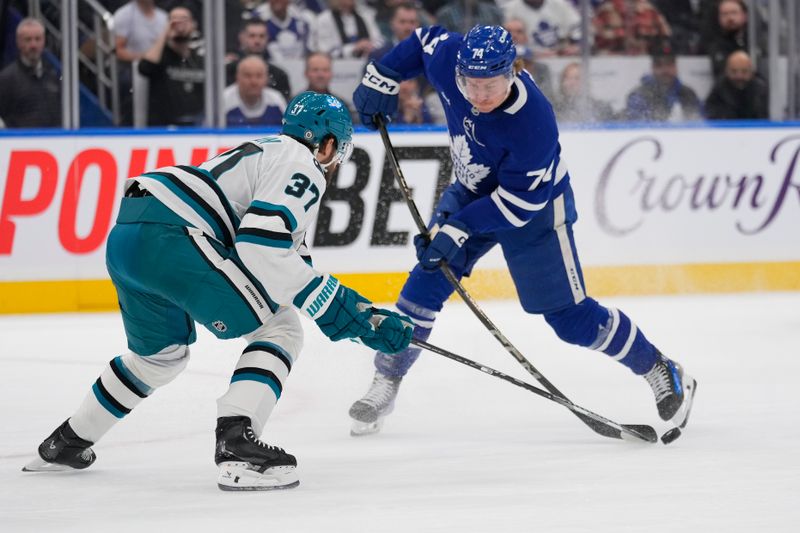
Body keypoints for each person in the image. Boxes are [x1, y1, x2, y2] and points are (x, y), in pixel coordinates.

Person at [22, 91, 413, 491]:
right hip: (176, 235)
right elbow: (261, 248)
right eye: (337, 151)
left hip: (130, 235)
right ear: (327, 143)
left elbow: (288, 264)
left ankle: (67, 441)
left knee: (159, 359)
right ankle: (237, 444)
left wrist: (363, 316)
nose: (334, 162)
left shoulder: (267, 154)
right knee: (279, 330)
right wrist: (341, 310)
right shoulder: (303, 162)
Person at [347, 24, 697, 436]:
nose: (477, 96)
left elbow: (518, 204)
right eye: (469, 84)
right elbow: (424, 40)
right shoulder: (451, 58)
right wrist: (383, 73)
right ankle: (387, 378)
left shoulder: (534, 121)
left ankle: (659, 367)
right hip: (472, 192)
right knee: (425, 283)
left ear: (512, 72)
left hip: (535, 210)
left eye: (489, 85)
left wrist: (457, 228)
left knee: (571, 321)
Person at [138, 6, 205, 126]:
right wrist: (165, 33)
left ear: (194, 25)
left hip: (196, 127)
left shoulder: (199, 60)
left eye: (184, 19)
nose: (179, 24)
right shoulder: (161, 55)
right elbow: (145, 68)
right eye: (173, 20)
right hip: (164, 128)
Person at [0, 17, 61, 128]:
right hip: (19, 143)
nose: (33, 45)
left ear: (44, 41)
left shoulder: (54, 74)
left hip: (53, 142)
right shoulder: (6, 79)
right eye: (28, 40)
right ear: (18, 42)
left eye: (38, 39)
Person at [624, 46, 702, 122]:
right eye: (659, 65)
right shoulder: (639, 95)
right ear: (652, 68)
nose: (665, 70)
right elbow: (637, 126)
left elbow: (700, 122)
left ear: (676, 67)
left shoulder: (688, 93)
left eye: (669, 65)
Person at [225, 19, 292, 103]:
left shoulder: (279, 75)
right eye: (252, 36)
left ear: (267, 38)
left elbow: (284, 108)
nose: (257, 41)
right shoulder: (228, 72)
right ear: (241, 38)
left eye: (261, 36)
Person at [223, 55, 287, 127]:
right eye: (248, 75)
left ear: (266, 78)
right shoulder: (224, 99)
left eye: (259, 76)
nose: (254, 82)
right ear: (237, 77)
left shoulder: (276, 99)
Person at [705, 50, 768, 120]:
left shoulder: (760, 90)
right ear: (726, 71)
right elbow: (711, 114)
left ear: (751, 72)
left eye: (744, 71)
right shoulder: (719, 88)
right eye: (734, 71)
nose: (739, 76)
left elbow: (764, 117)